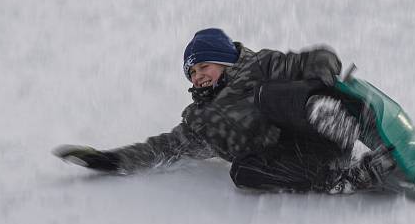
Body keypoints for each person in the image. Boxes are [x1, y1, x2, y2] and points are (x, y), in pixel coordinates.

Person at [53, 28, 396, 194]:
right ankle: (347, 178)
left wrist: (324, 74)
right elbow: (160, 149)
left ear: (225, 59)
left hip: (316, 122)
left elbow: (316, 56)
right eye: (191, 73)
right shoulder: (201, 123)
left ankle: (339, 119)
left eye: (203, 66)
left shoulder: (259, 65)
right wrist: (109, 160)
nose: (198, 76)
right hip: (303, 159)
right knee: (242, 172)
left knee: (267, 96)